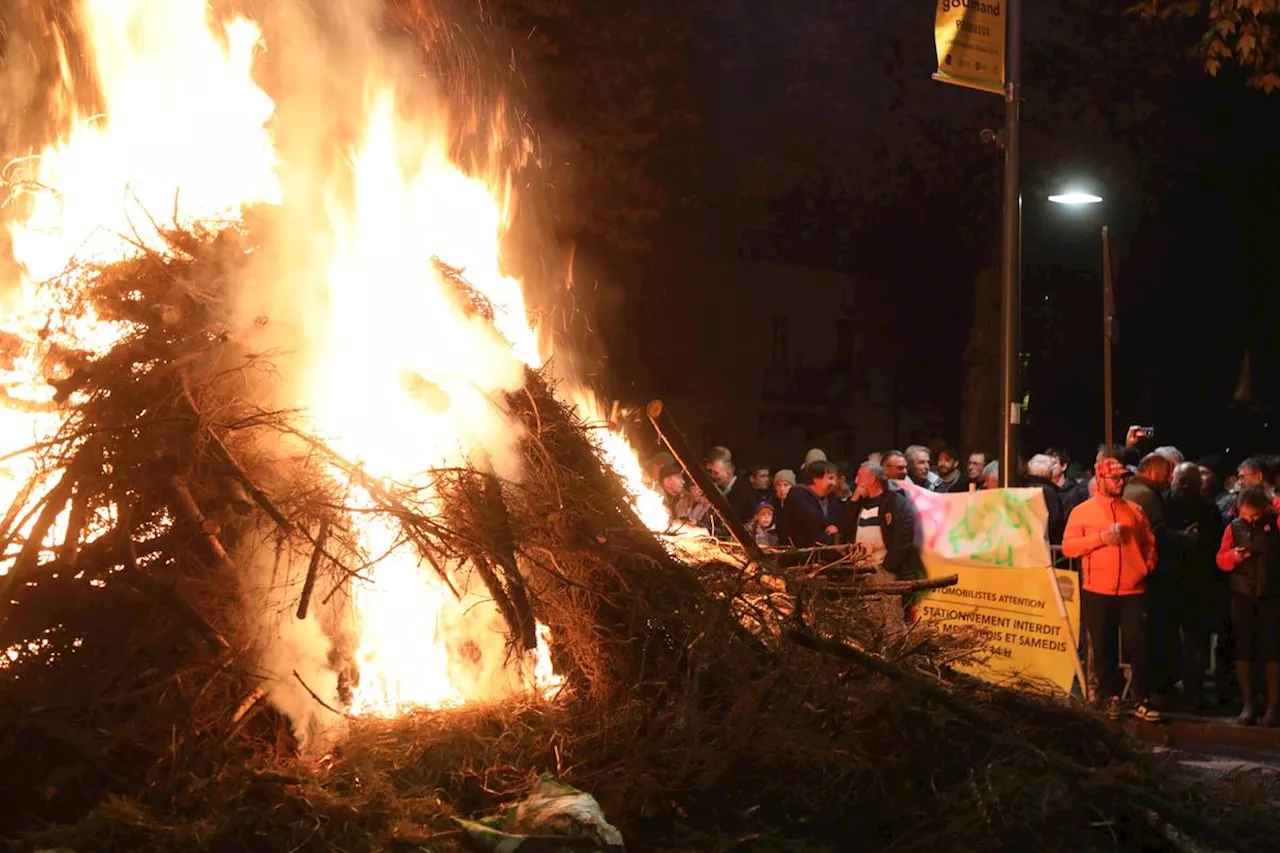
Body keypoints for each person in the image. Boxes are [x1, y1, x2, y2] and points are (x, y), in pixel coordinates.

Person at [1061, 457, 1161, 722]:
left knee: (1139, 646)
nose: (1120, 482)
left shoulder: (1135, 510)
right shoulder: (1082, 511)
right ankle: (1112, 697)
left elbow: (1150, 542)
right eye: (1115, 478)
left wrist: (1146, 566)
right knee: (1103, 648)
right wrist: (1101, 539)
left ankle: (1142, 699)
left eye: (1123, 477)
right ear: (1101, 479)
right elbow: (1069, 547)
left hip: (1132, 589)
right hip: (1097, 589)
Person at [1215, 486, 1280, 726]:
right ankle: (1248, 706)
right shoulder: (1233, 527)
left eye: (1254, 514)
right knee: (1244, 649)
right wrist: (1234, 557)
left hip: (1271, 595)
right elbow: (1220, 560)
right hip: (1242, 595)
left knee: (1272, 650)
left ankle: (1272, 708)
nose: (1250, 519)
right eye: (1246, 514)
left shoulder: (1275, 523)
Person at [1165, 462, 1225, 709]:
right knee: (1174, 639)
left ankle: (1193, 691)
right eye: (1178, 480)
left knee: (1194, 642)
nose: (1180, 485)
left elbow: (1212, 546)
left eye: (1185, 481)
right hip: (1174, 583)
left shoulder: (1207, 510)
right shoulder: (1165, 504)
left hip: (1195, 585)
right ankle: (1177, 689)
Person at [839, 462, 923, 636]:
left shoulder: (895, 502)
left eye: (859, 477)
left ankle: (895, 654)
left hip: (884, 570)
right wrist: (854, 500)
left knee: (890, 618)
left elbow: (904, 536)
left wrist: (887, 566)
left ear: (872, 479)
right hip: (862, 570)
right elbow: (845, 527)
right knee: (870, 618)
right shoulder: (860, 503)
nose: (855, 481)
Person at [781, 461, 842, 547]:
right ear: (816, 479)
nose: (834, 483)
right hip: (800, 552)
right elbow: (810, 518)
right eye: (830, 478)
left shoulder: (832, 498)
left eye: (835, 479)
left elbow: (840, 519)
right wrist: (828, 525)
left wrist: (836, 526)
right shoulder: (797, 493)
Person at [704, 446, 758, 531]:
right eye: (710, 472)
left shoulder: (742, 492)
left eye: (716, 473)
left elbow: (729, 522)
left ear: (728, 472)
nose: (712, 476)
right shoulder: (719, 488)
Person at [1024, 454, 1066, 546]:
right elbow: (1056, 521)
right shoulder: (1049, 493)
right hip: (1045, 548)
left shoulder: (1021, 489)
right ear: (1049, 473)